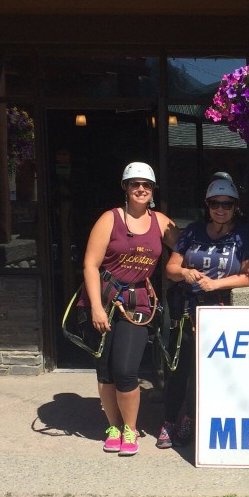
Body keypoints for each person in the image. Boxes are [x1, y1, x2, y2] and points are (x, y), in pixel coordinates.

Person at [157, 176, 249, 449]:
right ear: (207, 204)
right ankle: (169, 420)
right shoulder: (192, 231)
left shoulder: (244, 234)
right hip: (187, 307)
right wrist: (185, 272)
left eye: (227, 204)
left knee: (208, 370)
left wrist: (216, 283)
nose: (221, 209)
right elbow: (171, 268)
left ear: (235, 207)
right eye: (215, 203)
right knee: (179, 367)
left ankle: (191, 419)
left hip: (220, 309)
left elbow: (248, 276)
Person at [82, 162, 178, 455]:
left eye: (146, 185)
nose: (141, 189)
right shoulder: (110, 219)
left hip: (137, 302)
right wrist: (97, 308)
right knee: (106, 371)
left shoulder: (161, 221)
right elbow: (90, 264)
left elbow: (187, 249)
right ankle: (113, 425)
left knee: (126, 370)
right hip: (105, 299)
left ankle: (130, 429)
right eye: (135, 184)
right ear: (125, 187)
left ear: (152, 190)